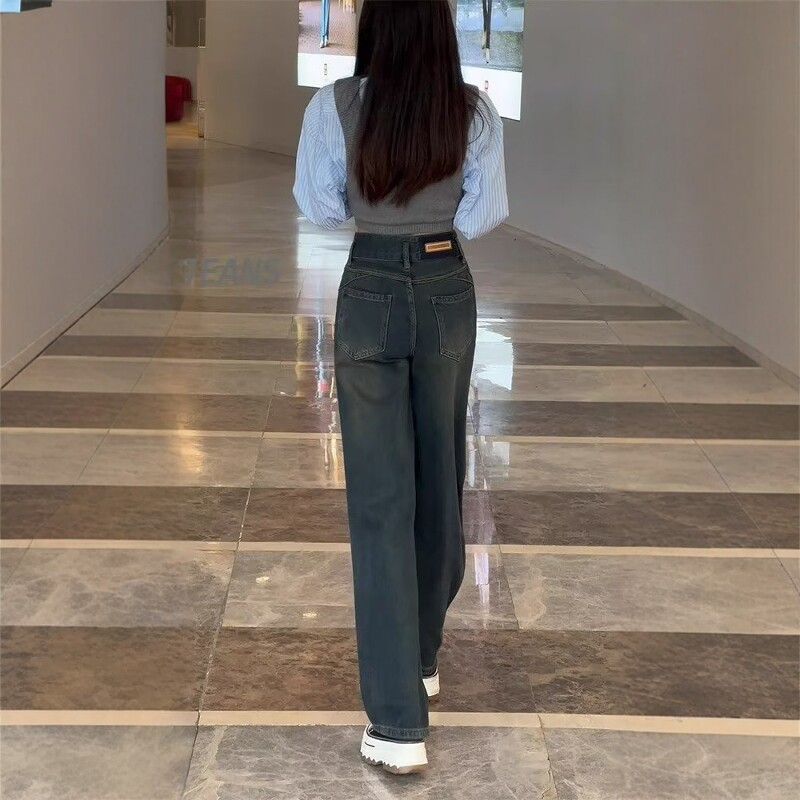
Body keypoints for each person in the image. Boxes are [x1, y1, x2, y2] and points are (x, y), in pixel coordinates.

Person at [294, 0, 507, 775]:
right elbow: (484, 213)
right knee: (440, 482)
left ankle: (395, 724)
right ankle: (420, 656)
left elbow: (319, 205)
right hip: (447, 285)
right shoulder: (472, 111)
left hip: (370, 288)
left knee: (379, 503)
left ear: (377, 23)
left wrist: (378, 208)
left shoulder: (335, 106)